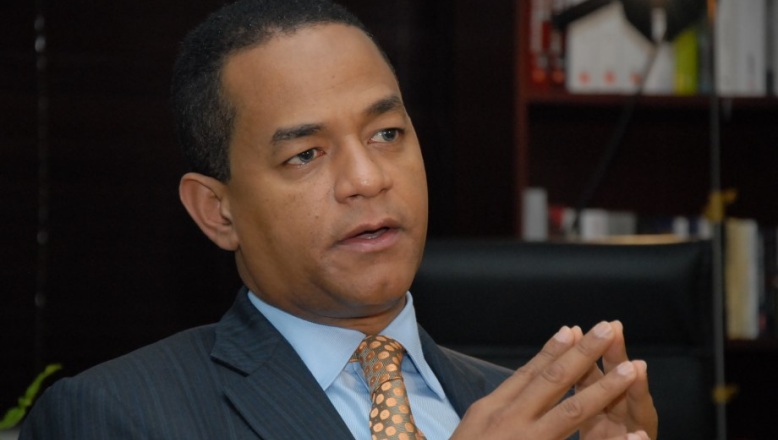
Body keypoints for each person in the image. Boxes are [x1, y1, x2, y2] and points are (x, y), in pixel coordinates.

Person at [19, 0, 657, 438]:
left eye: (386, 134)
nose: (367, 179)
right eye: (305, 154)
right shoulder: (117, 414)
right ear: (218, 211)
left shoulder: (539, 412)